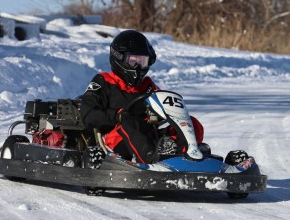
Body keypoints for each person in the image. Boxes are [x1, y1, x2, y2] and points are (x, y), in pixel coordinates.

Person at [78, 30, 204, 164]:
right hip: (115, 141)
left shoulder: (148, 86)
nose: (138, 67)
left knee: (191, 123)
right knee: (130, 121)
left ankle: (186, 157)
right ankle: (152, 162)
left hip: (149, 137)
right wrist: (117, 116)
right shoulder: (103, 81)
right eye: (133, 61)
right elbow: (87, 114)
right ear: (119, 58)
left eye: (142, 62)